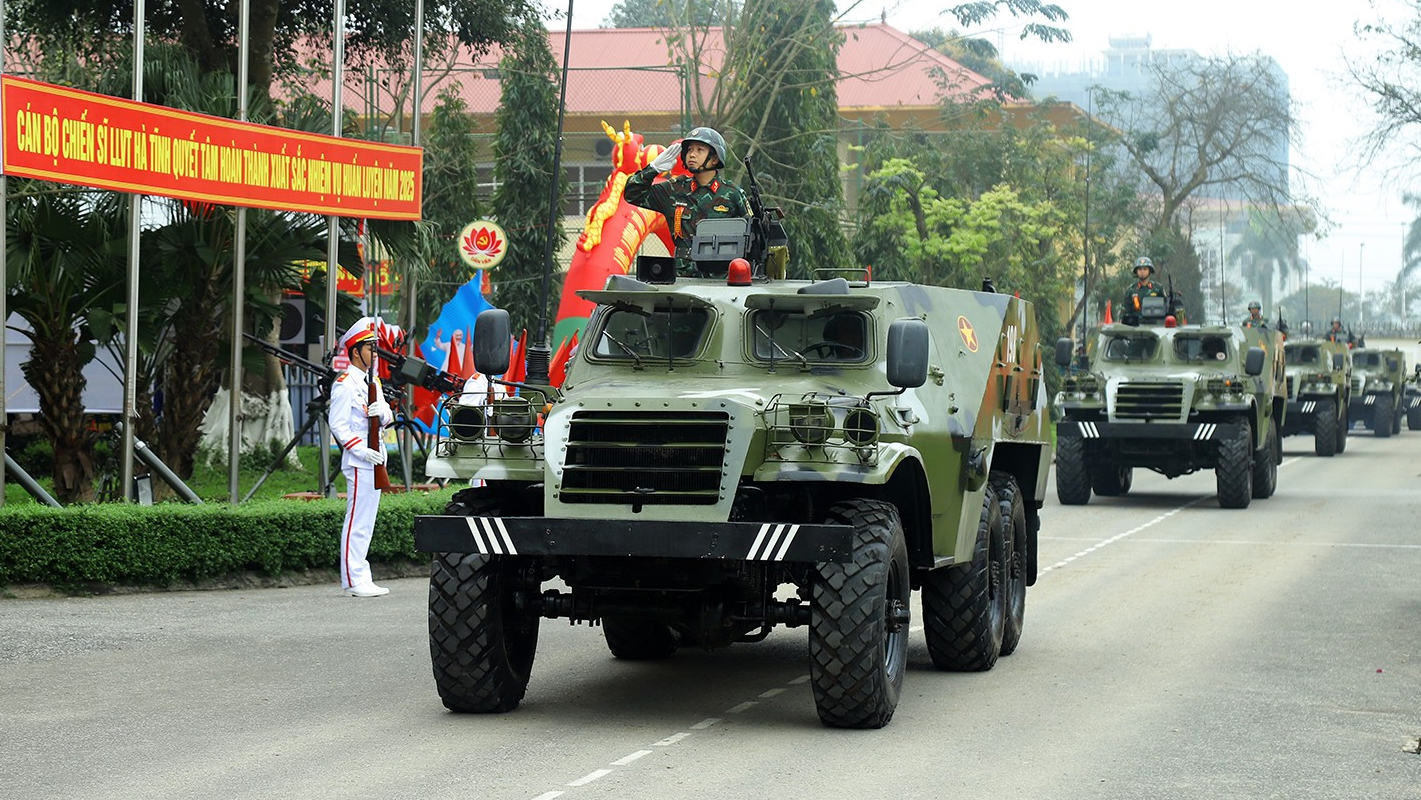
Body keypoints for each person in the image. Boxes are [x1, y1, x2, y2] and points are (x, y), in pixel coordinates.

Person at [623, 126, 751, 275]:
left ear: (715, 158)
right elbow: (632, 194)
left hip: (720, 277)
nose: (692, 155)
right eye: (689, 150)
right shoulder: (674, 190)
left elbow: (752, 234)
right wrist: (653, 169)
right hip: (682, 276)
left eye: (699, 150)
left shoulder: (732, 194)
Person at [329, 317, 394, 597]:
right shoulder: (344, 384)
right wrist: (360, 449)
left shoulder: (372, 383)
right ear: (356, 351)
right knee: (356, 520)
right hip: (360, 462)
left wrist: (384, 412)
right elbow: (338, 425)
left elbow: (388, 417)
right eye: (371, 349)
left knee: (366, 522)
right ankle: (353, 580)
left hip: (376, 459)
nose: (375, 354)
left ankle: (362, 575)